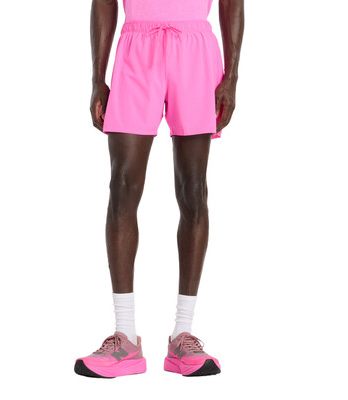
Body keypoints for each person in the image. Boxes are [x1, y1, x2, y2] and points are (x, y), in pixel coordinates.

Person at [74, 0, 244, 378]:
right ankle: (125, 337)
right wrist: (97, 77)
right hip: (136, 48)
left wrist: (231, 76)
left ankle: (183, 334)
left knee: (193, 190)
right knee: (122, 186)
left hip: (195, 49)